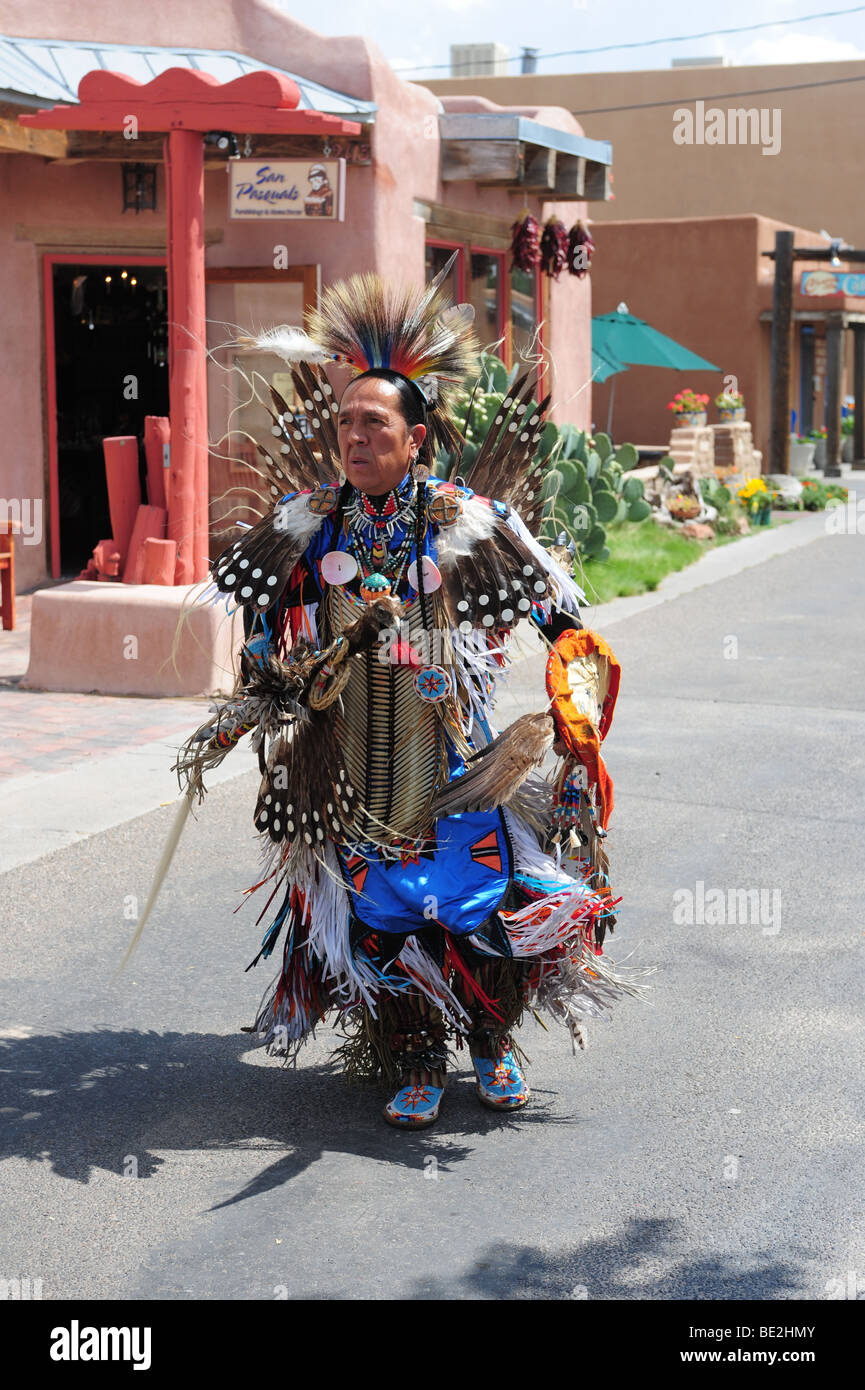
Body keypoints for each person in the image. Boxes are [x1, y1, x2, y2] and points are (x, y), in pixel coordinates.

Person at [175, 255, 641, 1128]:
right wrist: (271, 691)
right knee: (380, 920)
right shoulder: (312, 525)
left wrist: (578, 726)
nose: (355, 438)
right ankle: (414, 1053)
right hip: (349, 768)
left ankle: (492, 1042)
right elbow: (266, 629)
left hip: (453, 762)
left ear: (415, 437)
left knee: (475, 905)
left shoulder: (464, 521)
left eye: (374, 424)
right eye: (346, 422)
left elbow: (559, 624)